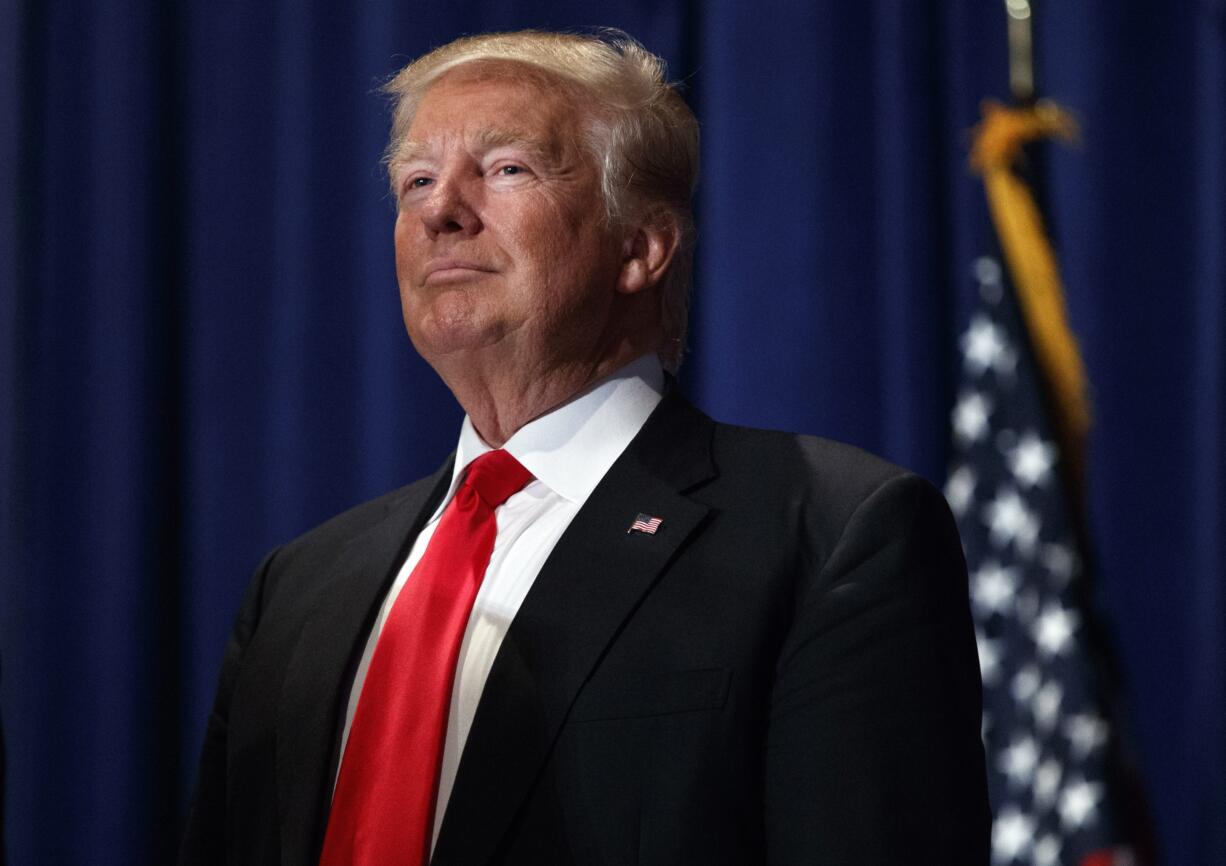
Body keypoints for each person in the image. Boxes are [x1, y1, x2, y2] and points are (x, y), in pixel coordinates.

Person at [179, 29, 991, 866]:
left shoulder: (826, 536)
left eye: (506, 170)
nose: (439, 210)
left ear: (641, 247)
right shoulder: (301, 586)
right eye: (416, 180)